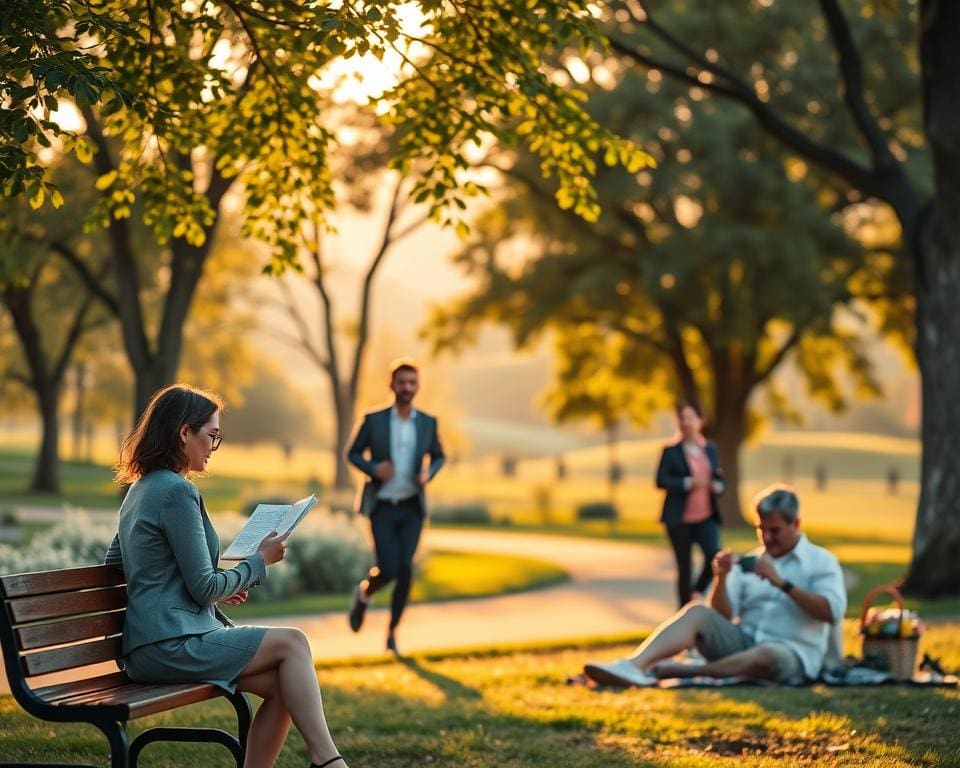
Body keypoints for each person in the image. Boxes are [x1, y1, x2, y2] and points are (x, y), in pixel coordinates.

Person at [104, 384, 348, 768]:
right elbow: (204, 589)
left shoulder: (141, 488)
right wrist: (259, 561)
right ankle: (329, 761)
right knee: (294, 643)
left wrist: (205, 585)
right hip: (171, 644)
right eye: (211, 437)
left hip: (152, 645)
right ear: (184, 432)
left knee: (287, 687)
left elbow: (117, 561)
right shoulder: (176, 492)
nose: (213, 448)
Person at [584, 485, 846, 686]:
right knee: (697, 611)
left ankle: (686, 671)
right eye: (760, 529)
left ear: (796, 524)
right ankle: (633, 666)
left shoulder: (821, 561)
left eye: (774, 530)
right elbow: (721, 617)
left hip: (794, 654)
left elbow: (831, 612)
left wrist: (782, 584)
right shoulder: (751, 562)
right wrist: (721, 578)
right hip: (744, 643)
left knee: (769, 654)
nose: (767, 537)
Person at [346, 359, 445, 655]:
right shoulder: (374, 420)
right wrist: (375, 468)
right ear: (391, 385)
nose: (407, 388)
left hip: (412, 506)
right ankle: (364, 595)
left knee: (405, 569)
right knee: (388, 567)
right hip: (383, 507)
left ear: (417, 386)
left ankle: (392, 633)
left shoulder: (427, 422)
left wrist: (429, 473)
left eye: (412, 382)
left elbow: (439, 455)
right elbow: (352, 453)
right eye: (401, 382)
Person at [655, 401, 725, 607]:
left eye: (690, 417)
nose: (685, 422)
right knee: (684, 568)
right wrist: (687, 482)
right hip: (679, 519)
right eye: (682, 418)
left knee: (714, 556)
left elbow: (719, 476)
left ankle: (697, 591)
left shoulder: (709, 449)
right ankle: (683, 615)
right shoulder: (671, 451)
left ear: (701, 421)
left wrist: (718, 486)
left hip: (706, 516)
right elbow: (661, 480)